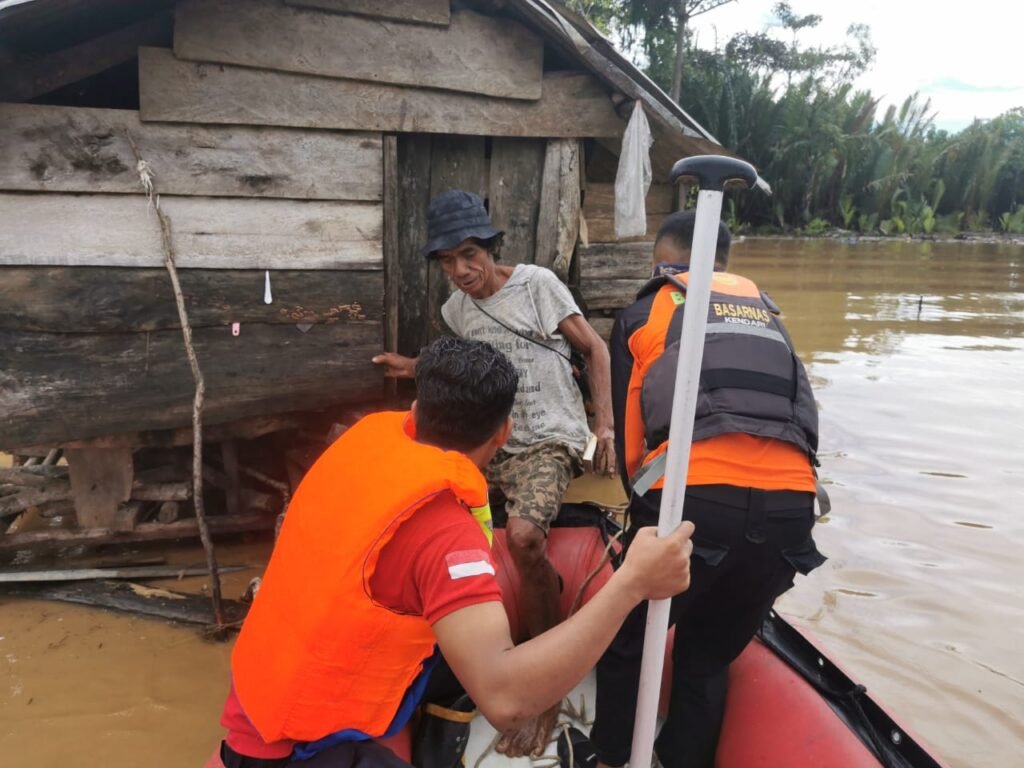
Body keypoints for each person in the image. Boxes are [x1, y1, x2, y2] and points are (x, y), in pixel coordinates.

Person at [214, 336, 695, 768]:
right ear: (504, 432)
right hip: (301, 744)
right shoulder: (443, 533)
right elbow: (504, 700)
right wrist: (631, 583)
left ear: (417, 408)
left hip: (259, 694)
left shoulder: (367, 437)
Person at [373, 190, 617, 756]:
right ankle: (441, 655)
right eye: (447, 261)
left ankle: (543, 685)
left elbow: (595, 350)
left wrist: (604, 428)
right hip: (493, 442)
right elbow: (463, 368)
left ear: (489, 247)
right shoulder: (457, 311)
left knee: (525, 537)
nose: (461, 271)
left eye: (469, 255)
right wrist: (412, 367)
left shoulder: (537, 285)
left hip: (550, 437)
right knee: (425, 523)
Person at [589, 211, 827, 768]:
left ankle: (610, 758)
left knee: (624, 640)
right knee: (707, 657)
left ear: (661, 263)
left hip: (694, 502)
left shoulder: (644, 312)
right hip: (792, 513)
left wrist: (641, 524)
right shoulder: (767, 316)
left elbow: (631, 447)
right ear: (723, 265)